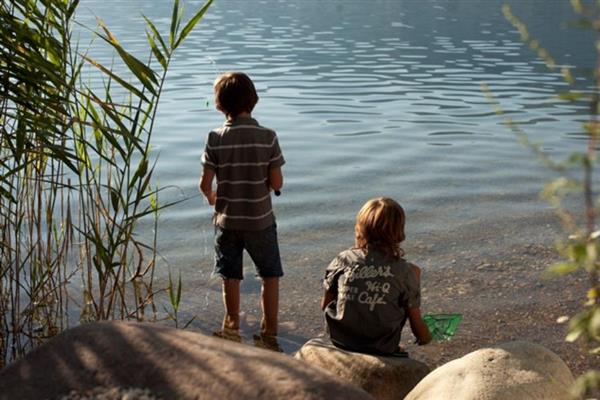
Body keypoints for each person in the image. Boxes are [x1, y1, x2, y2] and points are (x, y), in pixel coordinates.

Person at [199, 72, 285, 339]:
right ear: (253, 100)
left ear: (220, 105)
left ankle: (232, 324)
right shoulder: (268, 137)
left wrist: (212, 198)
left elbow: (205, 184)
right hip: (261, 221)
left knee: (230, 276)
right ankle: (270, 329)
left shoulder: (215, 138)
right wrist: (268, 187)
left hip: (227, 222)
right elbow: (276, 181)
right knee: (269, 275)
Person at [321, 197, 431, 355]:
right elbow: (416, 325)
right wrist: (426, 338)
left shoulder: (342, 260)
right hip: (382, 348)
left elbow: (325, 305)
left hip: (340, 342)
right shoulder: (409, 271)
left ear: (360, 228)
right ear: (398, 232)